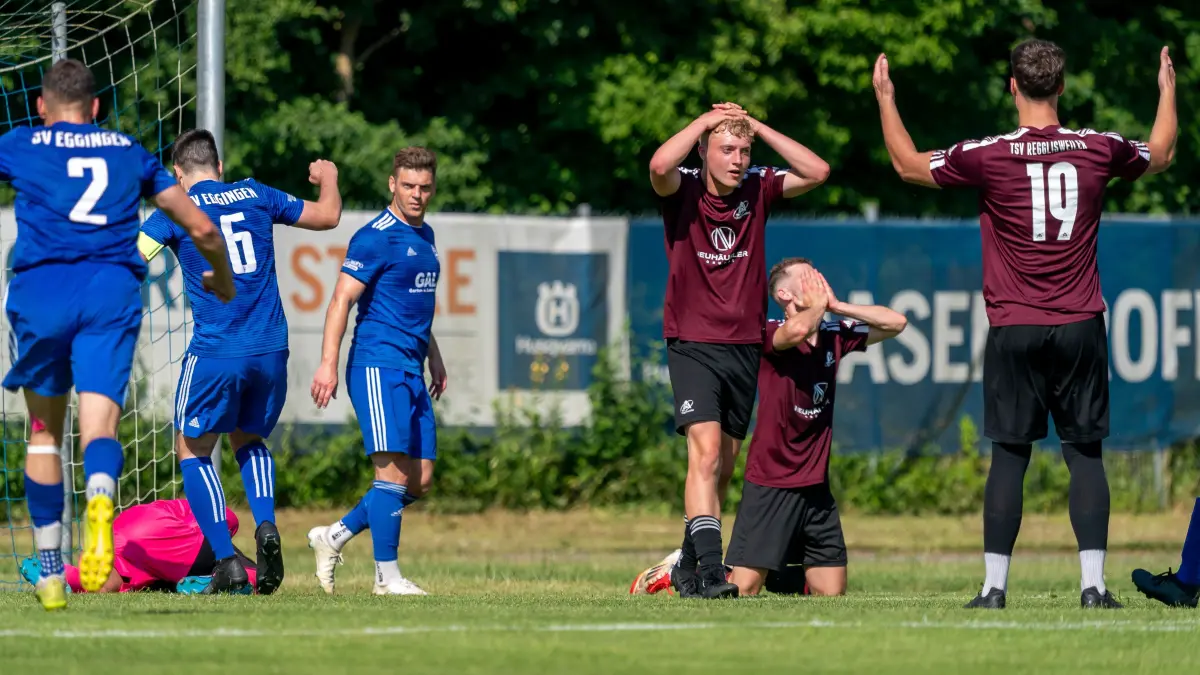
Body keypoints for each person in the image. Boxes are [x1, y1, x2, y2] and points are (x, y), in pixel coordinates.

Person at [872, 40, 1177, 609]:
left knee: (1010, 454)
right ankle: (1094, 586)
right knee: (1084, 453)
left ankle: (993, 590)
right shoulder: (1099, 147)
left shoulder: (988, 154)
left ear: (1012, 86)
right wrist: (1167, 89)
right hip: (1081, 321)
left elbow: (907, 166)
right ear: (1061, 87)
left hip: (1014, 324)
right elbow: (1160, 152)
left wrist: (886, 98)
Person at [0, 59, 235, 611]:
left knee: (42, 432)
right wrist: (220, 277)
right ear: (97, 107)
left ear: (41, 106)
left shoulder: (21, 144)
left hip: (42, 292)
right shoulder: (127, 151)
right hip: (109, 293)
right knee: (100, 422)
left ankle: (54, 571)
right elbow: (200, 225)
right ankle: (101, 501)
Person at [139, 129, 342, 594]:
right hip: (271, 348)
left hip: (216, 351)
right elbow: (329, 215)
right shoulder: (257, 193)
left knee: (192, 449)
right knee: (248, 439)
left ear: (178, 174)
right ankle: (267, 526)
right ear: (220, 168)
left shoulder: (177, 208)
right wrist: (328, 176)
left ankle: (227, 561)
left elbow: (137, 258)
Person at [631, 259, 907, 597]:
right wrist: (819, 309)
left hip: (815, 489)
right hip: (771, 484)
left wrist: (837, 306)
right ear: (783, 293)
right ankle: (677, 571)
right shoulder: (768, 330)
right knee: (743, 589)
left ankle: (771, 572)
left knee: (831, 593)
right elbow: (795, 332)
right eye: (808, 277)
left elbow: (897, 323)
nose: (818, 279)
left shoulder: (835, 335)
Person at [647, 102, 831, 599]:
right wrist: (704, 124)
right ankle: (710, 573)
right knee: (704, 457)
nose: (737, 159)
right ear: (705, 151)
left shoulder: (758, 185)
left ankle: (685, 565)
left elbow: (818, 171)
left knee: (724, 466)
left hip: (744, 346)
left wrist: (759, 128)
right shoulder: (682, 188)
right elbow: (659, 166)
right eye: (727, 149)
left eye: (744, 150)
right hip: (693, 343)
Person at [307, 147, 448, 596]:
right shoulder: (374, 237)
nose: (416, 194)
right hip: (376, 364)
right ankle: (387, 579)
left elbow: (415, 309)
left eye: (424, 187)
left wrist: (435, 356)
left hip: (411, 366)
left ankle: (334, 536)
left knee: (419, 480)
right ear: (392, 184)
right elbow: (340, 301)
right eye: (408, 186)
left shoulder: (425, 236)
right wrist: (328, 364)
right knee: (389, 475)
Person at [20, 498, 256, 595]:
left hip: (120, 534)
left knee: (105, 583)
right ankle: (209, 581)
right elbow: (230, 518)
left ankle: (61, 574)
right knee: (252, 576)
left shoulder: (173, 507)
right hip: (162, 537)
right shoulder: (211, 518)